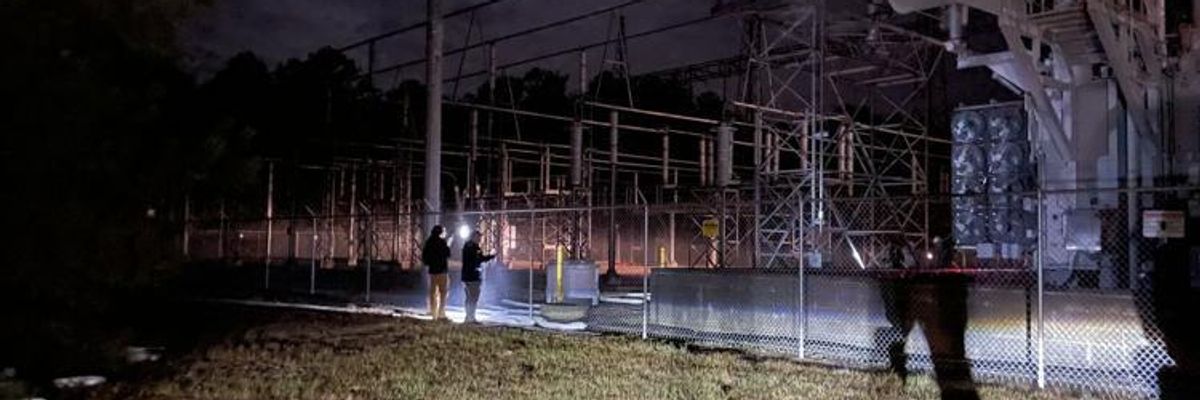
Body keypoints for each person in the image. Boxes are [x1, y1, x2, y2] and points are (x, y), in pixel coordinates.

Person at [460, 230, 496, 323]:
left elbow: (479, 259)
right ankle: (470, 318)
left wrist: (489, 257)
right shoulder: (472, 247)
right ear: (474, 237)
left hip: (467, 276)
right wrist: (490, 256)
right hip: (472, 276)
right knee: (473, 297)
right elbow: (479, 259)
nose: (480, 239)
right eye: (478, 237)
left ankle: (469, 317)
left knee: (469, 297)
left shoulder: (467, 246)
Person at [422, 225, 451, 321]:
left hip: (432, 271)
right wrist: (448, 244)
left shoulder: (429, 242)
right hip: (442, 271)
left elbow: (424, 257)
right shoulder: (442, 242)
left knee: (432, 293)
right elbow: (447, 254)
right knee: (443, 292)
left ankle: (433, 313)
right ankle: (441, 313)